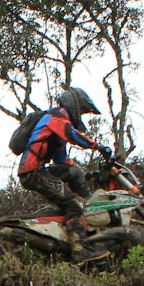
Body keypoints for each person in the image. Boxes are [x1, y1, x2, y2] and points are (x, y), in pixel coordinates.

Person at [17, 87, 113, 254]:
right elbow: (73, 134)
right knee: (74, 206)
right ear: (74, 103)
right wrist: (97, 146)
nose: (81, 114)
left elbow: (62, 159)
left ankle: (89, 206)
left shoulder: (58, 126)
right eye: (82, 110)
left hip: (39, 170)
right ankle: (79, 250)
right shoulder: (57, 116)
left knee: (74, 172)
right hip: (32, 171)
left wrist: (85, 174)